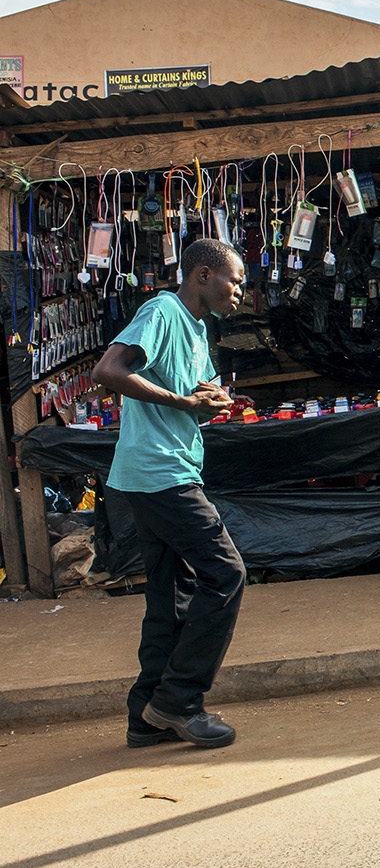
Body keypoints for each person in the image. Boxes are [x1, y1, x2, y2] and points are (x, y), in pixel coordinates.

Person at [91, 238, 245, 748]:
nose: (239, 291)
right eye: (234, 280)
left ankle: (145, 715)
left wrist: (209, 401)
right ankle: (179, 701)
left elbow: (189, 395)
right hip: (162, 475)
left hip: (151, 475)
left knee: (170, 597)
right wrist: (185, 402)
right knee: (226, 573)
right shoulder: (161, 311)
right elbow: (109, 372)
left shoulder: (198, 328)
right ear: (202, 274)